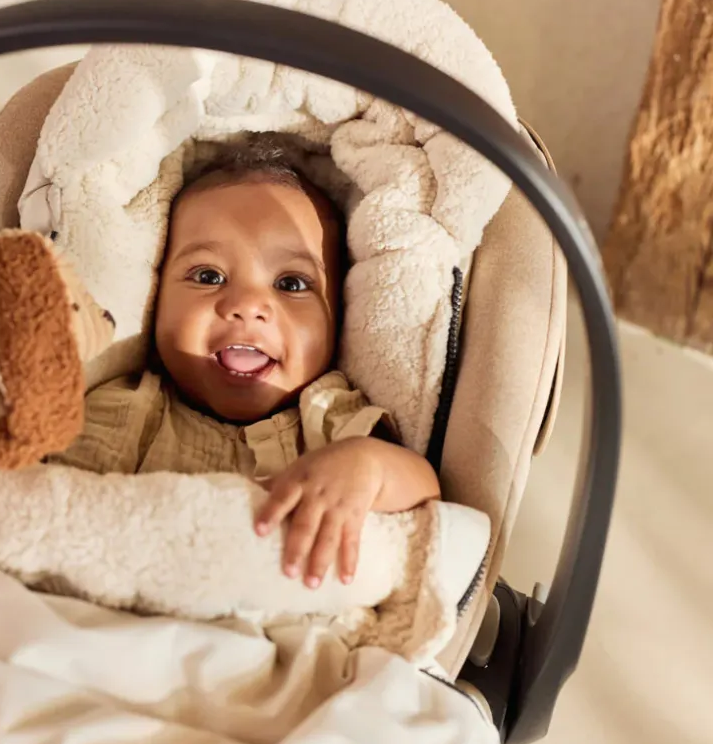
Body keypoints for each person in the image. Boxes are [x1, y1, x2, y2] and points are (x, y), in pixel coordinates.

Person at [50, 135, 440, 589]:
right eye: (208, 276)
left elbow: (426, 493)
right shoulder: (126, 408)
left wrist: (366, 468)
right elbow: (51, 500)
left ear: (339, 319)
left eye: (292, 284)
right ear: (156, 299)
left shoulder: (329, 417)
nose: (248, 305)